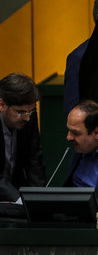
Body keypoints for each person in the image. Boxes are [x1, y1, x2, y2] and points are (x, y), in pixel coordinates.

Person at [0, 73, 45, 202]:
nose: (27, 118)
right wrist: (20, 199)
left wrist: (39, 198)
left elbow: (34, 159)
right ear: (2, 105)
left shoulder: (28, 117)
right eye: (20, 112)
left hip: (15, 193)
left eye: (31, 111)